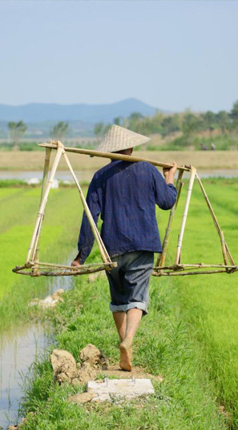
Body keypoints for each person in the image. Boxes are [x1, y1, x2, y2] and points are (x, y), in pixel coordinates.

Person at [71, 125, 178, 371]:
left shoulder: (100, 177)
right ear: (131, 147)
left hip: (113, 248)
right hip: (142, 246)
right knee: (137, 298)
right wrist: (169, 179)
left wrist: (81, 256)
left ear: (110, 152)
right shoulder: (147, 170)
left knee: (119, 299)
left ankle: (124, 345)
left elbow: (90, 217)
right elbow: (167, 201)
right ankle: (128, 342)